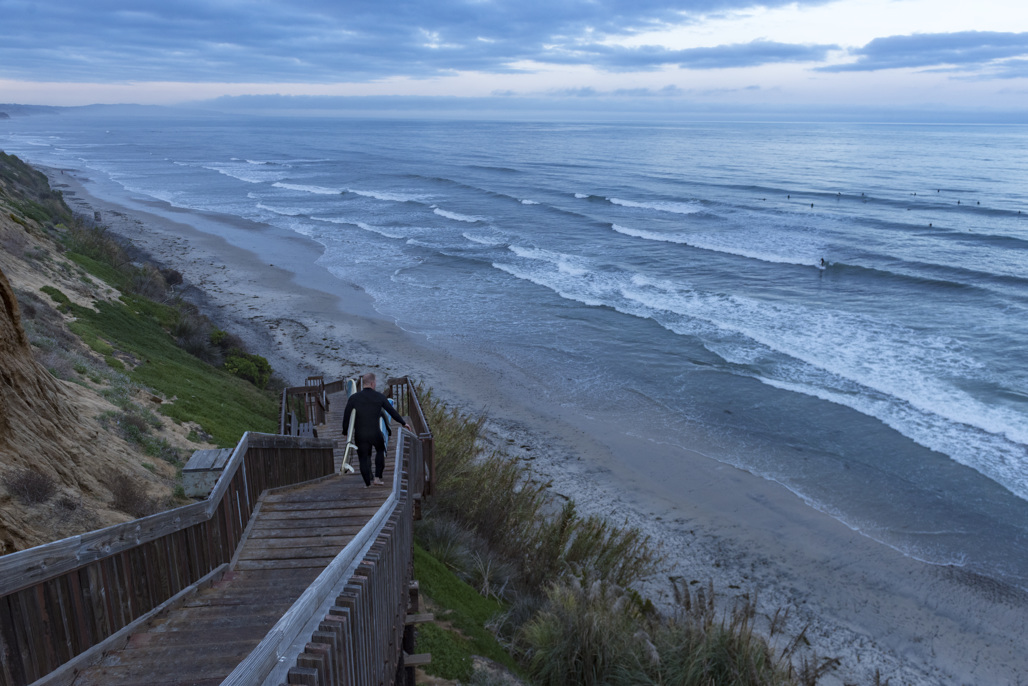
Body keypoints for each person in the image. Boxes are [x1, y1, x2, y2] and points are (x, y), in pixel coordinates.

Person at [342, 372, 408, 487]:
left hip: (360, 434)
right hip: (375, 433)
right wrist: (403, 423)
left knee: (362, 457)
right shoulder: (379, 397)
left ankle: (367, 483)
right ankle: (377, 478)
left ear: (364, 383)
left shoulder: (354, 398)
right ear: (372, 383)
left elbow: (346, 416)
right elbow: (392, 412)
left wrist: (345, 431)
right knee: (380, 450)